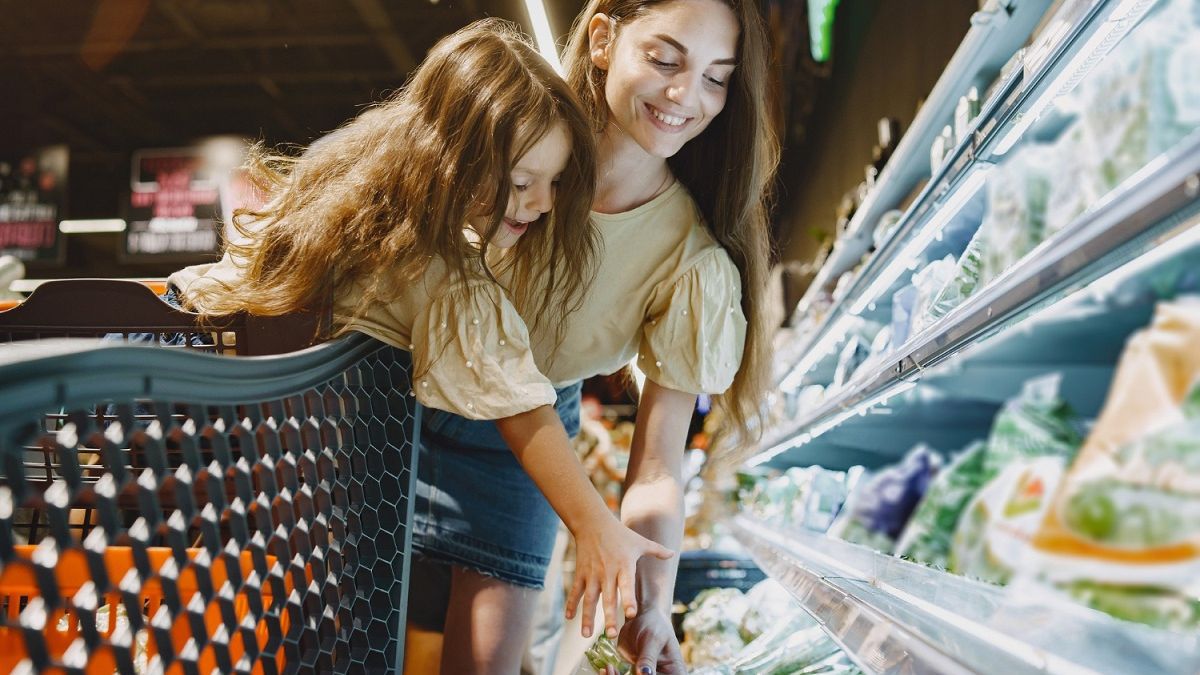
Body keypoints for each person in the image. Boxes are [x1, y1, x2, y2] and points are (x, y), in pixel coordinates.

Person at [163, 19, 675, 672]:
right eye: (522, 181)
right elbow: (520, 401)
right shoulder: (438, 268)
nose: (543, 203)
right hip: (295, 474)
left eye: (553, 182)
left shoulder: (351, 176)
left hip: (224, 428)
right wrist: (595, 524)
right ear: (456, 158)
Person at [408, 1, 779, 673]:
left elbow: (658, 467)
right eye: (664, 60)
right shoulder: (516, 134)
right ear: (604, 39)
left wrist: (651, 604)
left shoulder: (691, 262)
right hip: (392, 404)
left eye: (715, 78)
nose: (684, 95)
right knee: (342, 639)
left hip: (527, 455)